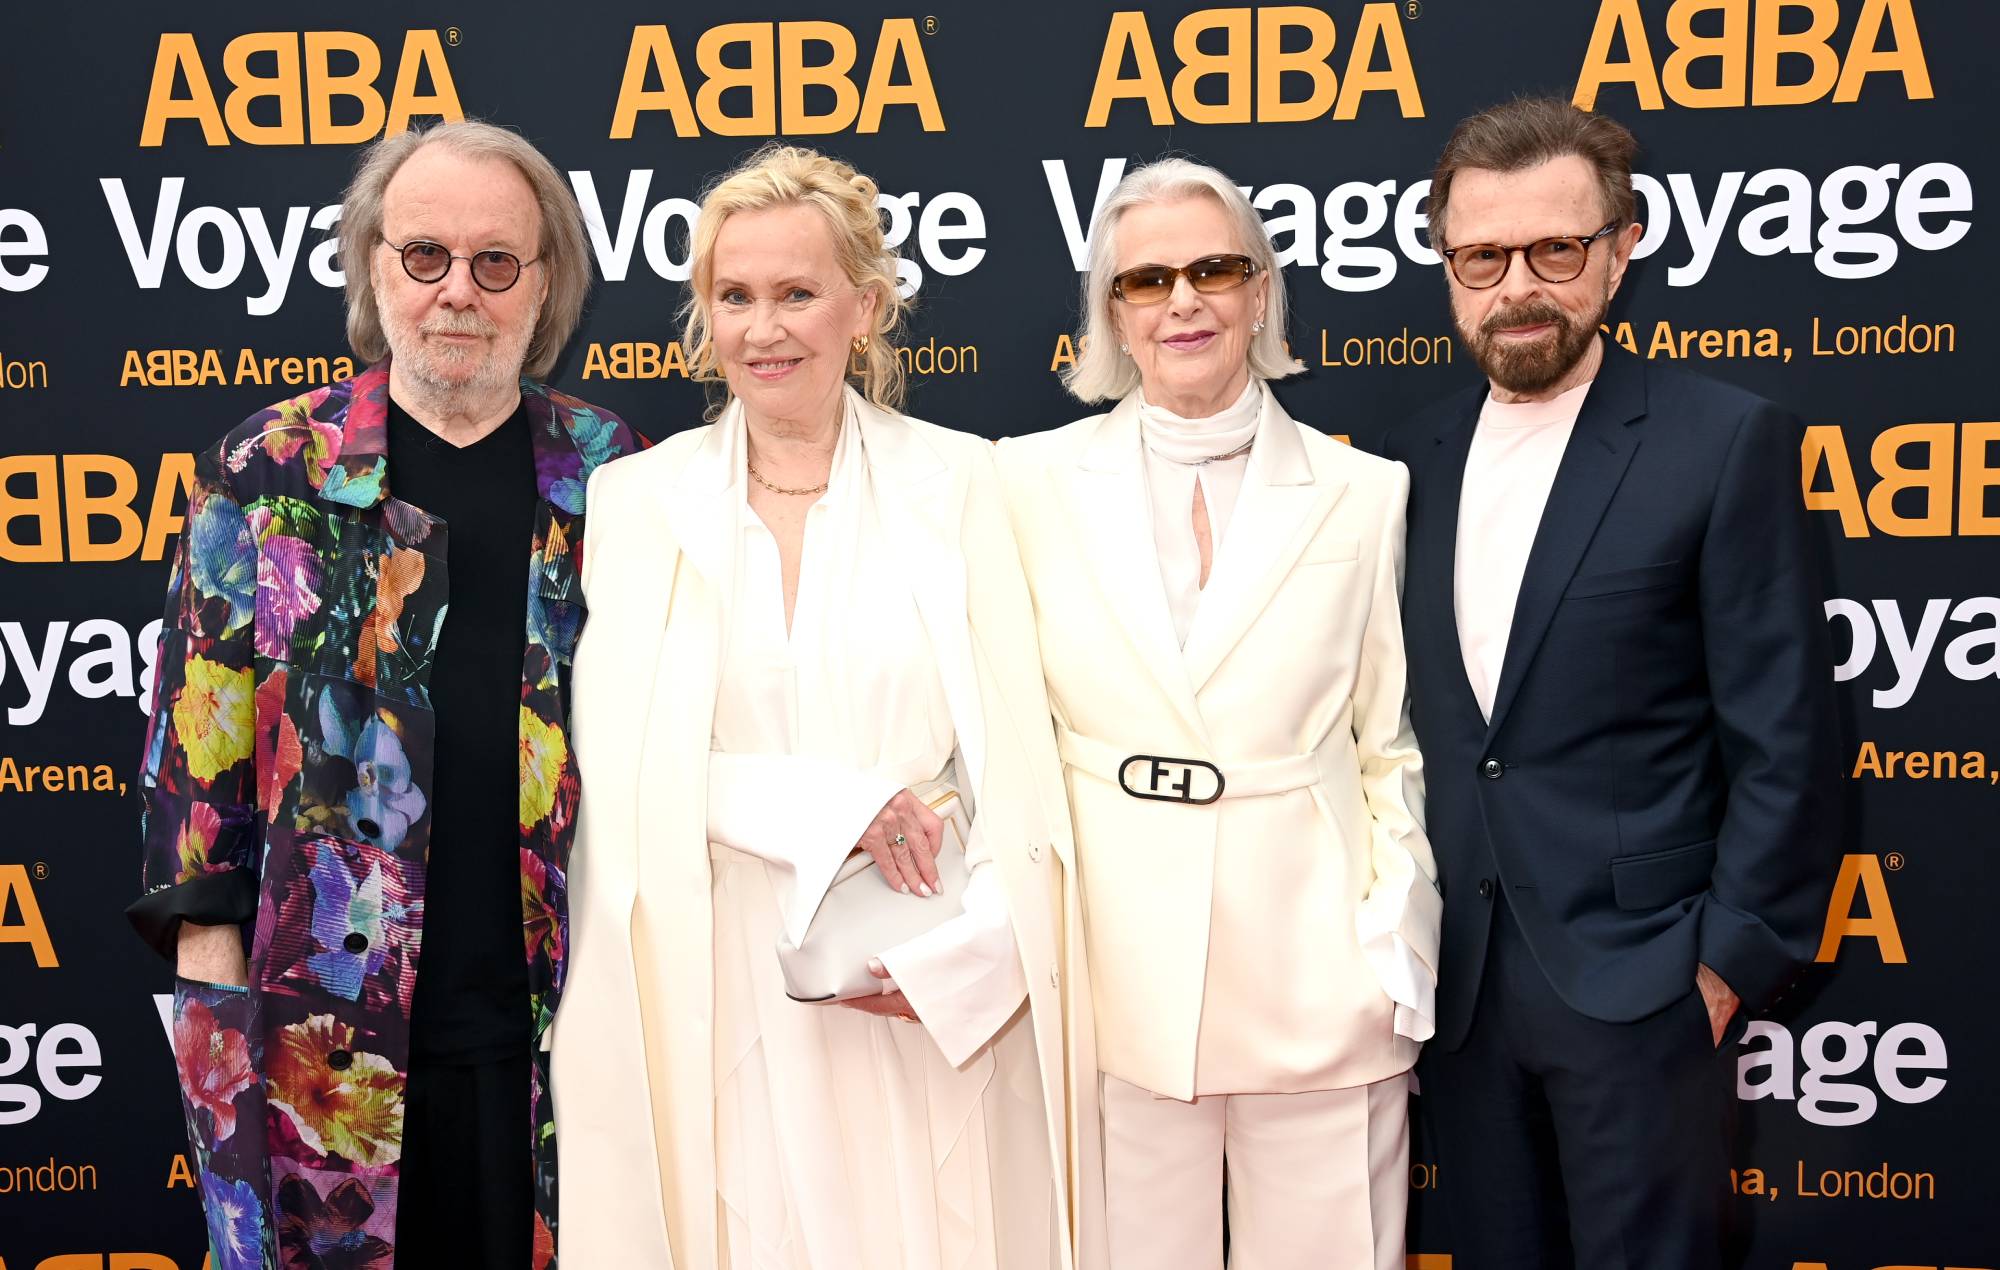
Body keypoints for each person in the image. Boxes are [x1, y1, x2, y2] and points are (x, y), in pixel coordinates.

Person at [552, 144, 1100, 1270]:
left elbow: (1021, 758)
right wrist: (832, 804)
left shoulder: (966, 481)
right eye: (734, 296)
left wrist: (980, 953)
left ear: (865, 304)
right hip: (718, 981)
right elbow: (623, 760)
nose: (765, 329)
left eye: (797, 293)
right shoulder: (635, 500)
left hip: (917, 974)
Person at [127, 120, 642, 1269]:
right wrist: (219, 1047)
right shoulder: (268, 472)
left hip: (564, 1045)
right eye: (424, 256)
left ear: (546, 280)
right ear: (371, 266)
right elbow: (192, 783)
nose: (457, 291)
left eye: (495, 261)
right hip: (323, 1058)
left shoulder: (616, 476)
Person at [1385, 96, 1841, 1269]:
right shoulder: (1406, 460)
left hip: (1643, 987)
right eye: (1481, 256)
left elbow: (1786, 733)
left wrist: (1721, 965)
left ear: (1620, 247)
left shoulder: (1721, 439)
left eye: (1556, 249)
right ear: (1447, 262)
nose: (1517, 286)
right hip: (1459, 993)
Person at [995, 158, 1438, 1270]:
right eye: (1145, 280)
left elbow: (1388, 744)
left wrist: (1394, 949)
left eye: (1212, 268)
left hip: (1319, 969)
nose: (1182, 300)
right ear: (1112, 313)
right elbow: (999, 732)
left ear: (1258, 293)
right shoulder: (1020, 484)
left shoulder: (1366, 490)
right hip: (1110, 978)